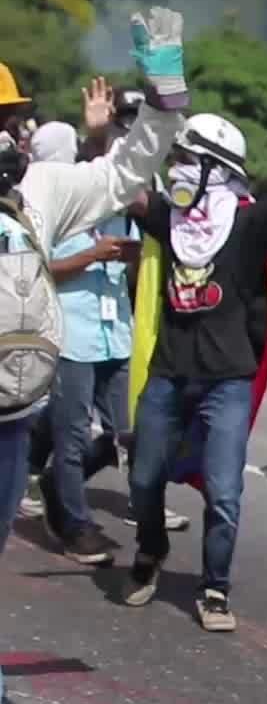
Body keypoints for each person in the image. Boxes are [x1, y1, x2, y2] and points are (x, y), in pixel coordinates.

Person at [0, 9, 191, 704]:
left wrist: (164, 93)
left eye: (15, 121)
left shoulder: (38, 191)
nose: (14, 136)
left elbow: (123, 174)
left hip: (12, 414)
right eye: (3, 122)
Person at [121, 85, 267, 631]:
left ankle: (215, 588)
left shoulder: (249, 222)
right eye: (177, 157)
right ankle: (150, 548)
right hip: (167, 373)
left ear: (216, 170)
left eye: (188, 159)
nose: (179, 169)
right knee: (142, 478)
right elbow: (126, 187)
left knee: (226, 492)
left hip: (226, 381)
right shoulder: (171, 220)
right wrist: (131, 125)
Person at [39, 120, 139, 566]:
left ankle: (52, 478)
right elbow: (43, 268)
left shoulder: (120, 207)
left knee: (126, 436)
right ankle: (74, 524)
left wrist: (131, 255)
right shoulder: (56, 206)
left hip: (114, 330)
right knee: (74, 434)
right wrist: (92, 255)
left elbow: (132, 258)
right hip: (73, 333)